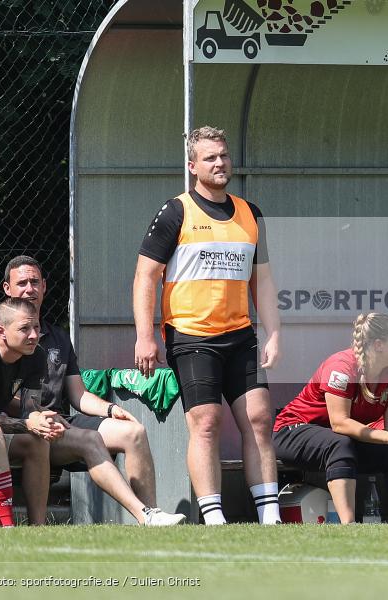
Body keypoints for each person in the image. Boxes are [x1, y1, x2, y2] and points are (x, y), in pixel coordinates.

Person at [133, 126, 281, 525]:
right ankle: (214, 519)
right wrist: (145, 335)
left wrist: (275, 332)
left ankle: (271, 517)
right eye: (210, 157)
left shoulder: (251, 214)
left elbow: (262, 280)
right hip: (190, 334)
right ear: (192, 165)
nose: (219, 163)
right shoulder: (176, 210)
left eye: (223, 155)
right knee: (207, 422)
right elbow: (146, 276)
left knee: (260, 418)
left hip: (241, 334)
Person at [0, 255, 174, 526]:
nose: (29, 289)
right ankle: (16, 526)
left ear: (45, 286)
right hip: (19, 426)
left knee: (134, 432)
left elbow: (76, 394)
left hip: (55, 420)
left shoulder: (54, 339)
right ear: (7, 290)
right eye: (21, 283)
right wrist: (35, 419)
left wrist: (110, 408)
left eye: (35, 282)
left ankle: (151, 516)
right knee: (78, 439)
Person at [273, 313, 388, 524]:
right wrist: (387, 437)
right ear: (378, 344)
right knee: (340, 443)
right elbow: (339, 423)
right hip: (291, 431)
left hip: (336, 438)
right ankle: (348, 526)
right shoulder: (341, 367)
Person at [0, 298, 49, 527]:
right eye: (25, 329)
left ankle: (22, 527)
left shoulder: (36, 354)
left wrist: (40, 419)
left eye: (36, 327)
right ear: (1, 331)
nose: (34, 335)